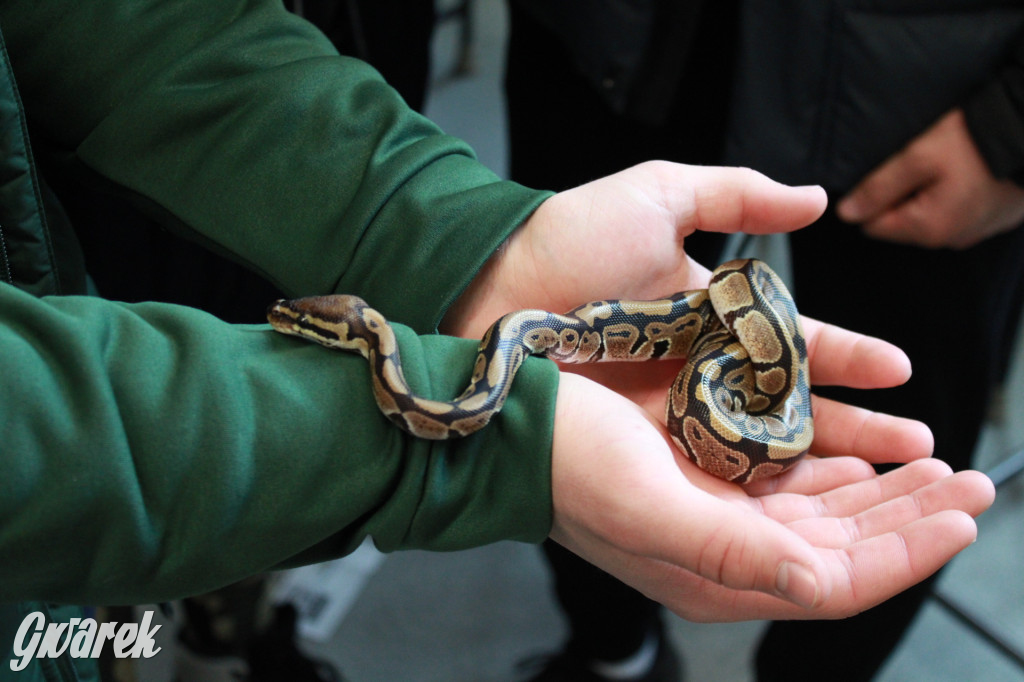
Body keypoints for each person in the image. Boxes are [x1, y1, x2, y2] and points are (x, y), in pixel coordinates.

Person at [0, 2, 996, 680]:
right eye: (312, 322)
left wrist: (469, 242)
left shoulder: (498, 356)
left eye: (308, 320)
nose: (297, 317)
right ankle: (613, 649)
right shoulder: (482, 369)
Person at [505, 2, 1024, 681]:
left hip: (930, 87)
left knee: (898, 461)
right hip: (621, 46)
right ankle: (614, 649)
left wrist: (1009, 126)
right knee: (573, 415)